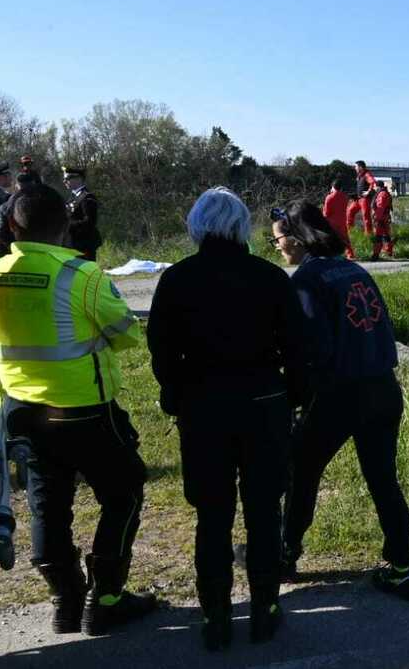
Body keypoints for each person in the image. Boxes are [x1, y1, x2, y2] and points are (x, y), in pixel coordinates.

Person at [0, 182, 155, 636]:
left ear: (11, 226)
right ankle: (105, 599)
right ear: (65, 225)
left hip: (23, 411)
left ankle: (65, 600)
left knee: (47, 508)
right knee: (124, 495)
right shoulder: (82, 275)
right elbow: (125, 333)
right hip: (84, 411)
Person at [146, 188, 307, 650]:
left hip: (204, 410)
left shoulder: (177, 279)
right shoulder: (270, 277)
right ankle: (264, 609)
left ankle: (215, 616)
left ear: (198, 226)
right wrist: (293, 397)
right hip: (264, 406)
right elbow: (297, 348)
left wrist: (177, 396)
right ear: (241, 227)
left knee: (212, 517)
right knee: (263, 512)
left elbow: (161, 351)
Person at [271, 200, 409, 601]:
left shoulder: (306, 280)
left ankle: (285, 555)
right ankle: (403, 568)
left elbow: (311, 349)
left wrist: (295, 401)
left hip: (341, 393)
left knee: (302, 470)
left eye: (279, 240)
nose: (279, 248)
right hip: (384, 388)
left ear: (298, 237)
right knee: (382, 479)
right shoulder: (355, 269)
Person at [61, 167, 102, 261]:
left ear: (78, 179)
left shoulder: (87, 197)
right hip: (73, 243)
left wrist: (69, 225)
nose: (64, 181)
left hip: (85, 243)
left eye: (67, 179)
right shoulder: (73, 197)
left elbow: (90, 221)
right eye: (64, 179)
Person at [321, 178, 355, 259]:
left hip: (332, 222)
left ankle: (331, 255)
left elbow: (326, 212)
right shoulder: (345, 197)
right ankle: (350, 254)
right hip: (342, 220)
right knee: (345, 238)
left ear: (333, 187)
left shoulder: (329, 197)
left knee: (330, 239)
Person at [369, 180, 394, 260]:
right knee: (386, 236)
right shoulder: (384, 193)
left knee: (378, 237)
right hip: (385, 217)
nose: (374, 188)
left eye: (375, 186)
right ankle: (388, 253)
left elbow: (380, 207)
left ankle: (375, 255)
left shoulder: (382, 194)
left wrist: (376, 218)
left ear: (378, 186)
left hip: (381, 218)